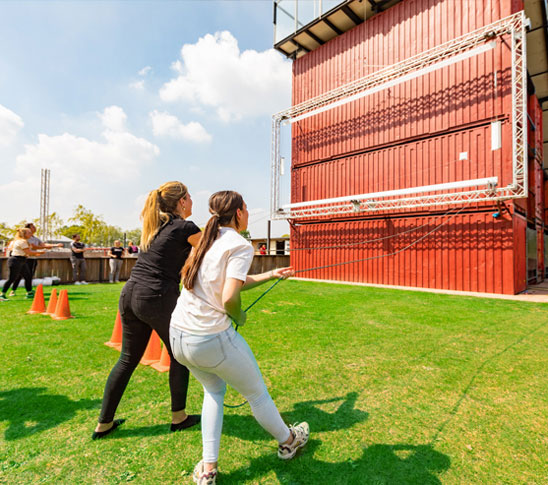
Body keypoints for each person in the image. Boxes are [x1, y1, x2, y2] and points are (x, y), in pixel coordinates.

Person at [169, 191, 309, 484]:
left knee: (214, 391)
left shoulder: (208, 238)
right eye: (246, 208)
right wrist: (238, 315)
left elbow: (227, 281)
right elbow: (230, 294)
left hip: (179, 337)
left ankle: (208, 469)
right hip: (209, 338)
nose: (247, 212)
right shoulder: (239, 244)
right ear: (238, 213)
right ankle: (289, 440)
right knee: (256, 393)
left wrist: (269, 276)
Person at [93, 181, 202, 440]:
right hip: (156, 296)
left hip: (130, 295)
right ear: (183, 200)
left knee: (127, 359)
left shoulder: (155, 229)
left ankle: (104, 424)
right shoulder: (185, 227)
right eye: (191, 197)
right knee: (179, 355)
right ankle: (179, 417)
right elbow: (211, 250)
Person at [9, 222, 63, 297]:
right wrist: (43, 249)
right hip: (25, 259)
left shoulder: (35, 238)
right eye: (33, 227)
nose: (35, 228)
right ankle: (13, 290)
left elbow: (43, 244)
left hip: (33, 259)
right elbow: (33, 247)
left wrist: (55, 245)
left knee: (29, 276)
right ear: (28, 229)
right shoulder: (25, 239)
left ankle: (29, 291)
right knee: (19, 276)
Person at [1, 228, 44, 301]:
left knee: (28, 276)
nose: (31, 234)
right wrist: (39, 253)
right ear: (24, 234)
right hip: (16, 261)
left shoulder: (22, 241)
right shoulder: (22, 241)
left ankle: (29, 293)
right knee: (12, 278)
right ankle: (2, 294)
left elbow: (27, 252)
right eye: (29, 233)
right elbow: (28, 251)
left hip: (22, 260)